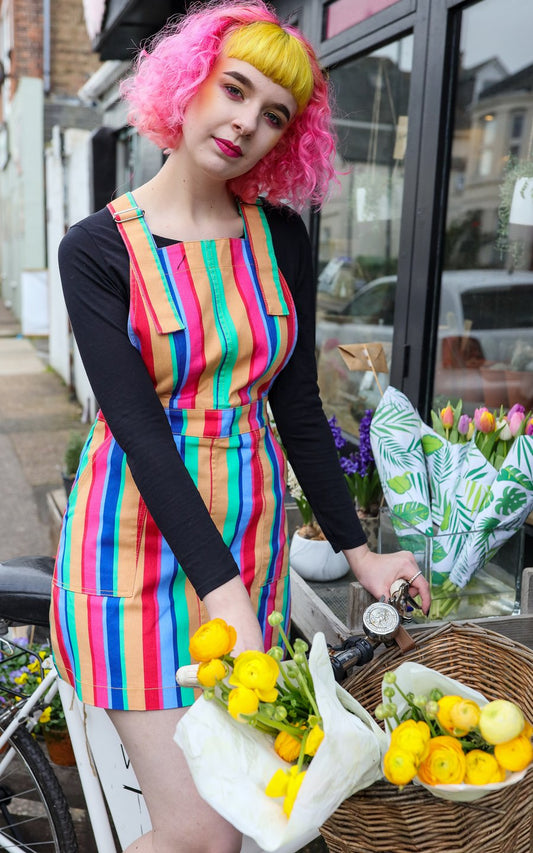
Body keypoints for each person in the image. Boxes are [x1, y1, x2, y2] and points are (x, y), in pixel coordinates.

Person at [50, 2, 430, 850]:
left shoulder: (280, 237)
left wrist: (358, 550)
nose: (244, 124)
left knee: (246, 817)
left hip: (247, 548)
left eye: (273, 117)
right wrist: (221, 593)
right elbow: (141, 437)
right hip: (135, 557)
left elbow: (297, 407)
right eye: (233, 90)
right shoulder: (97, 251)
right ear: (185, 86)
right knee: (202, 835)